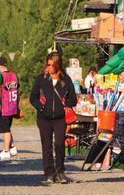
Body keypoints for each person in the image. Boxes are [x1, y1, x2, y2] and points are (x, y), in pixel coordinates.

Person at [30, 52, 77, 185]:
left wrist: (66, 105)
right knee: (47, 146)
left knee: (59, 144)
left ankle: (60, 172)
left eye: (52, 65)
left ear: (57, 65)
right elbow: (32, 97)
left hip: (60, 118)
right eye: (48, 64)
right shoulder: (41, 79)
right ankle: (49, 173)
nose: (49, 67)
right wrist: (40, 107)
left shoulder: (65, 80)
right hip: (43, 118)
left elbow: (73, 99)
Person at [0, 56, 20, 161]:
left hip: (5, 107)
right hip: (13, 106)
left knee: (5, 130)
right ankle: (12, 146)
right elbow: (18, 89)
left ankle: (6, 151)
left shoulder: (1, 76)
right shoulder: (14, 75)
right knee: (7, 128)